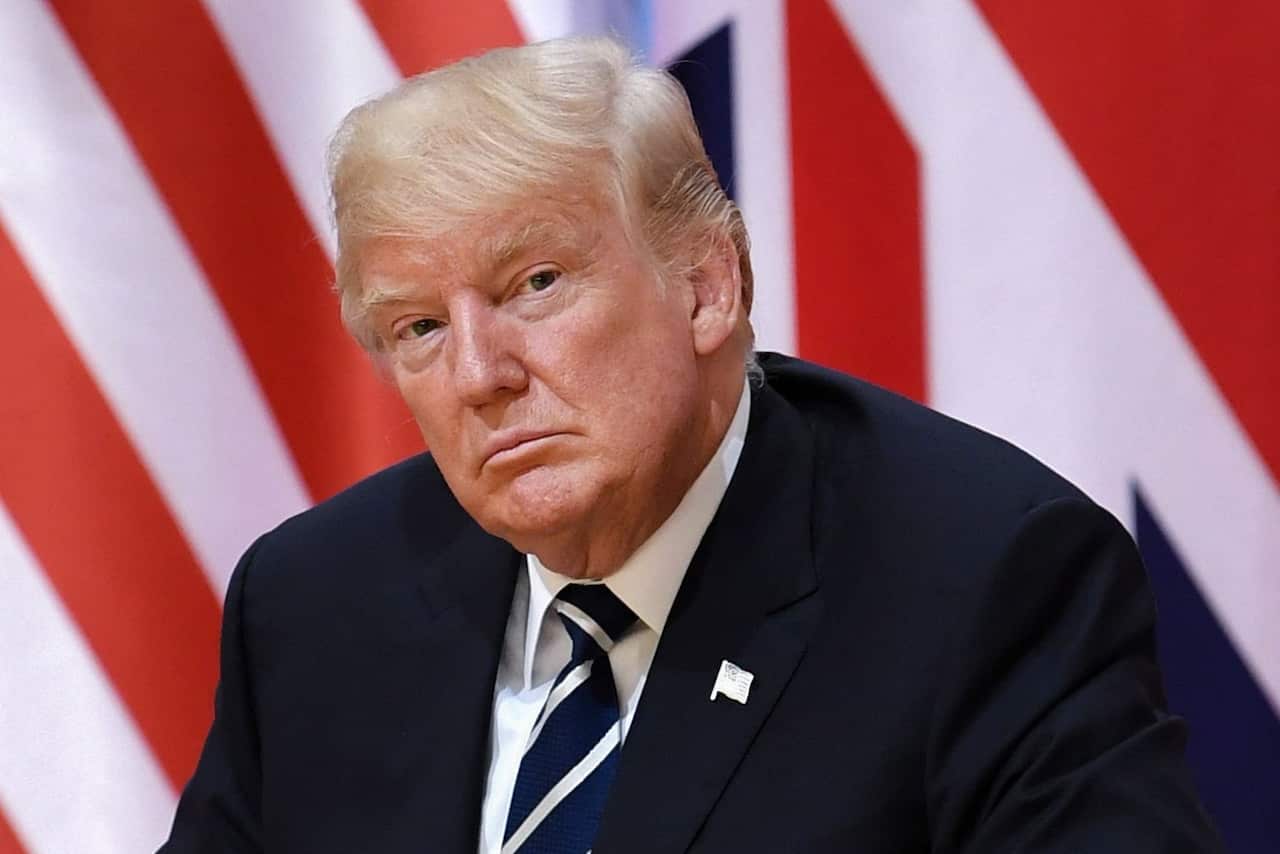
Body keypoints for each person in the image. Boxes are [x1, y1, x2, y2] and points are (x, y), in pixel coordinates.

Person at [161, 35, 1221, 853]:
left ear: (706, 285)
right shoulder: (313, 602)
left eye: (534, 285)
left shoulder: (980, 580)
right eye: (419, 327)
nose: (479, 374)